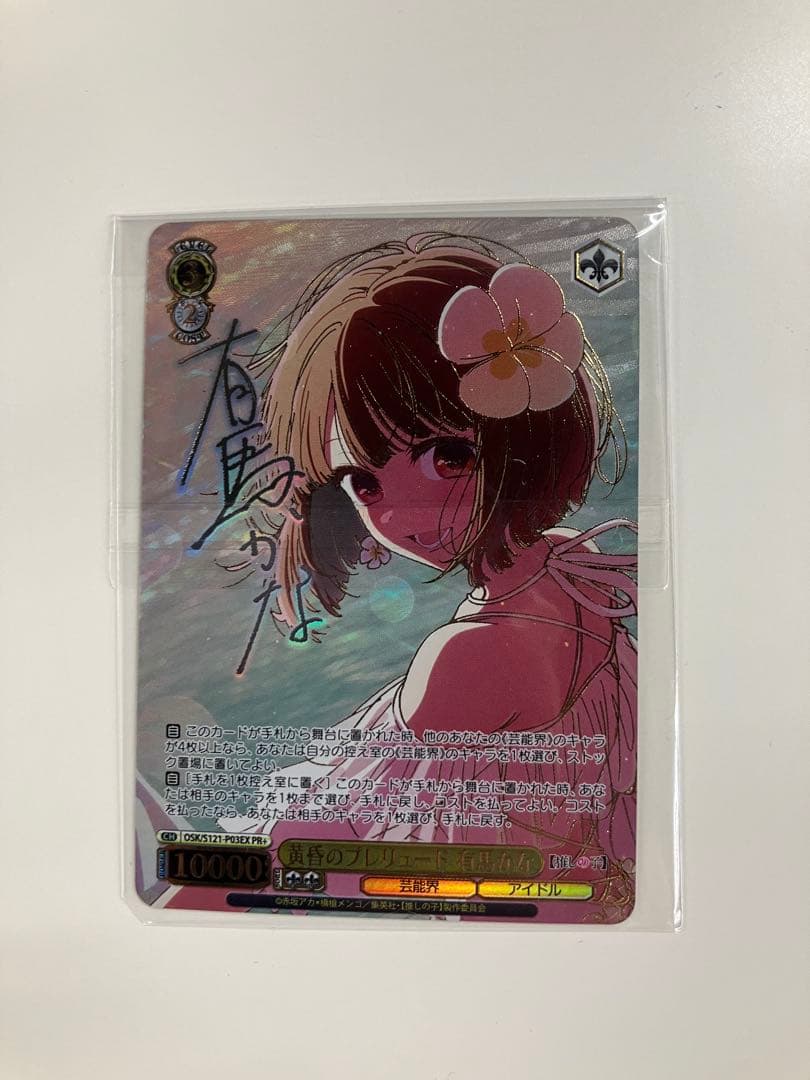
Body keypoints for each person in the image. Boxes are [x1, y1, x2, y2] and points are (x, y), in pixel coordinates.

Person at [159, 234, 638, 923]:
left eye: (448, 457)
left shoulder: (471, 654)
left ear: (529, 436)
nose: (400, 513)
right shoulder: (570, 569)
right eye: (363, 482)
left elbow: (327, 838)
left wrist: (185, 893)